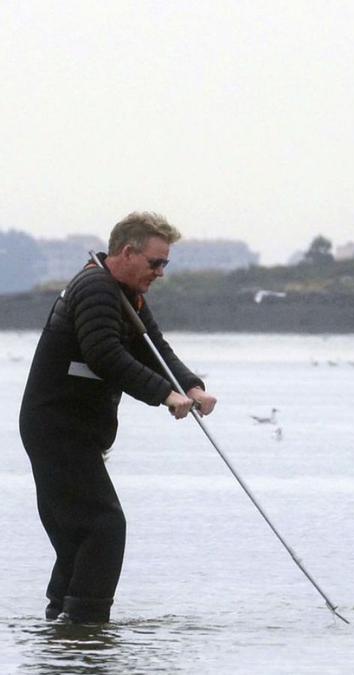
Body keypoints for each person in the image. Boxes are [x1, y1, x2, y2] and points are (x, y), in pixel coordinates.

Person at [19, 212, 217, 623]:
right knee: (105, 526)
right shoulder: (96, 289)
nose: (160, 272)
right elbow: (105, 355)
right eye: (155, 263)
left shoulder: (125, 294)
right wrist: (165, 396)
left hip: (76, 432)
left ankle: (64, 633)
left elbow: (154, 350)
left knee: (79, 535)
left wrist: (192, 387)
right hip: (57, 430)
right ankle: (88, 628)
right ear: (127, 252)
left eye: (165, 264)